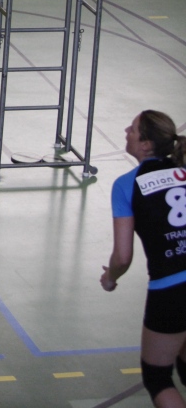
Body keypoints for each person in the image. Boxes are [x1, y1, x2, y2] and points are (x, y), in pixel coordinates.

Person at [102, 110, 186, 407]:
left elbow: (123, 256)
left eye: (134, 129)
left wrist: (110, 278)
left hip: (171, 290)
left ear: (146, 144)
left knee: (158, 377)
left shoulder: (127, 184)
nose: (127, 130)